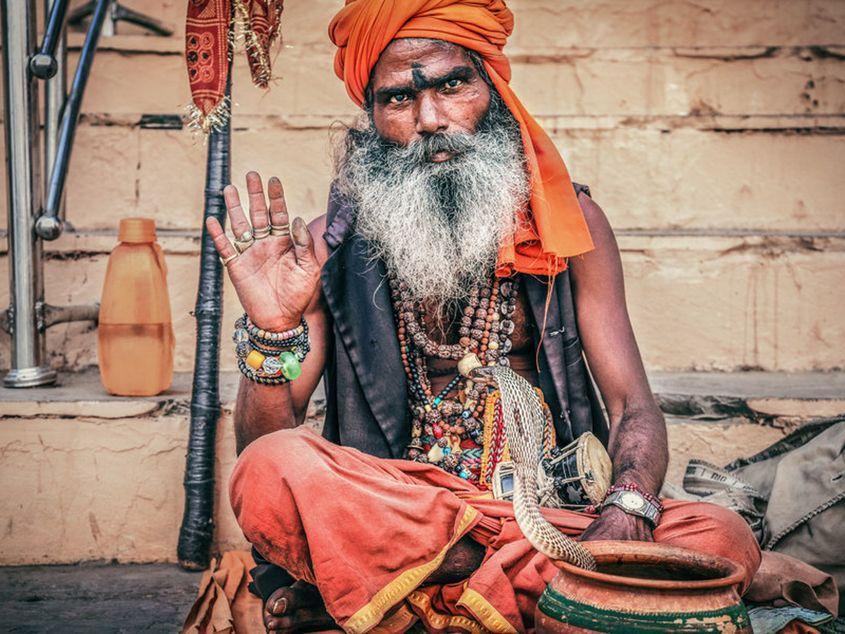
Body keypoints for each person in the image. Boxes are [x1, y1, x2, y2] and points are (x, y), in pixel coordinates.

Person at [206, 1, 761, 631]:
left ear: (492, 90)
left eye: (452, 84)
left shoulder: (570, 228)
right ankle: (543, 591)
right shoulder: (327, 248)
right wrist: (272, 330)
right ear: (371, 119)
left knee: (720, 535)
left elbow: (634, 405)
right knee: (273, 470)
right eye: (398, 99)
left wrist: (622, 517)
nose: (431, 119)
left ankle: (390, 592)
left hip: (551, 514)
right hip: (400, 508)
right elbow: (263, 444)